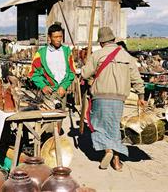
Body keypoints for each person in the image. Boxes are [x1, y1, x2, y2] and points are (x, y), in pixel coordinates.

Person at [81, 27, 146, 171]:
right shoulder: (127, 57)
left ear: (101, 42)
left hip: (100, 97)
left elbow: (85, 74)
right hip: (119, 98)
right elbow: (137, 79)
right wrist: (141, 96)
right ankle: (116, 161)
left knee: (99, 126)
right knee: (114, 127)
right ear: (113, 39)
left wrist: (86, 64)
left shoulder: (97, 55)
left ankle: (108, 151)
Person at [28, 23, 75, 108]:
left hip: (62, 92)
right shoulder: (41, 53)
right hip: (48, 93)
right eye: (55, 37)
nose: (58, 40)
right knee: (48, 119)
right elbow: (34, 73)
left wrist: (64, 86)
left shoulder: (67, 52)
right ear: (49, 38)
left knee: (60, 119)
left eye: (60, 37)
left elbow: (72, 72)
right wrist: (43, 86)